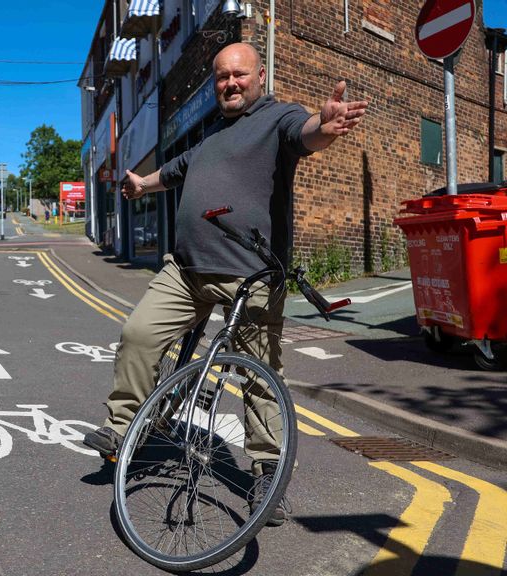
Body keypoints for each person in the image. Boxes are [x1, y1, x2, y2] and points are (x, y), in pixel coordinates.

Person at [81, 42, 368, 526]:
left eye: (238, 74)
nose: (229, 83)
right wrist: (138, 185)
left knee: (259, 377)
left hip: (249, 275)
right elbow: (171, 173)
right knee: (138, 334)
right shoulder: (212, 135)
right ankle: (122, 427)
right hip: (186, 271)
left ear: (259, 76)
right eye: (221, 77)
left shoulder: (279, 118)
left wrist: (326, 126)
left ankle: (266, 474)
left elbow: (307, 135)